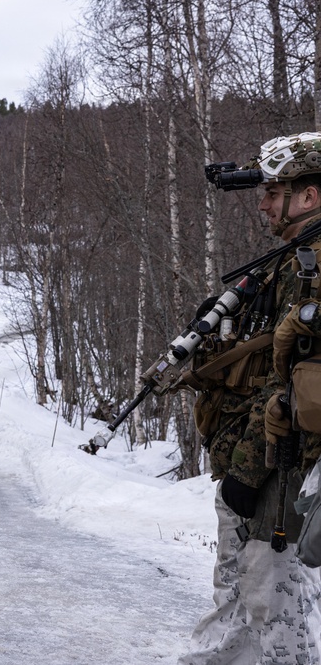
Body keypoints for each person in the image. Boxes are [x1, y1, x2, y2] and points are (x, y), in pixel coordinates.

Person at [179, 132, 321, 664]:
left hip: (282, 468)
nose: (261, 202)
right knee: (238, 595)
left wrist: (248, 469)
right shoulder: (291, 261)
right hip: (258, 463)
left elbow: (291, 386)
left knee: (274, 604)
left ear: (308, 197)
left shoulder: (314, 267)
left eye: (273, 191)